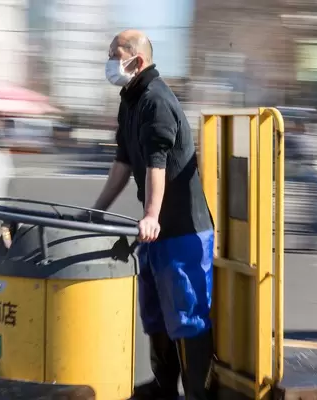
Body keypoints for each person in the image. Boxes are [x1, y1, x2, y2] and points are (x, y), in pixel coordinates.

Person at [90, 30, 215, 400]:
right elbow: (124, 162)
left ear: (137, 61)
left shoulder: (157, 101)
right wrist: (97, 211)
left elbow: (156, 165)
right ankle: (164, 387)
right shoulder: (130, 99)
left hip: (181, 230)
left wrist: (150, 215)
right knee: (156, 312)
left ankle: (196, 393)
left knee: (188, 317)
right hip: (157, 230)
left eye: (115, 54)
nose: (110, 61)